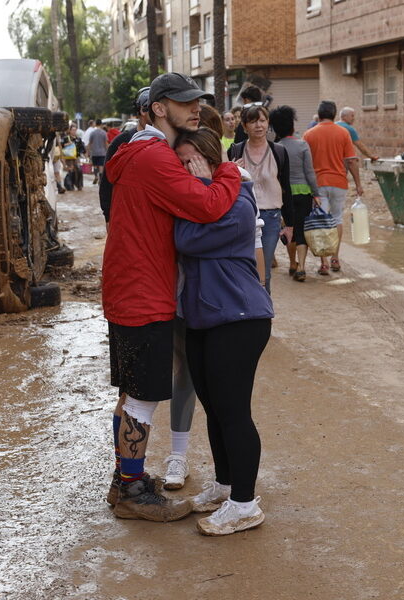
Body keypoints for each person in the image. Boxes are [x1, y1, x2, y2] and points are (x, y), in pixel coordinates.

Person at [103, 72, 241, 521]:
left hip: (129, 287)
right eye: (184, 103)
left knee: (131, 394)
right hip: (144, 291)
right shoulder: (155, 157)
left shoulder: (135, 150)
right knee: (142, 398)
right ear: (159, 108)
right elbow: (207, 206)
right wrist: (227, 171)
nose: (194, 108)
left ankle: (128, 479)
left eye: (196, 101)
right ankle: (131, 493)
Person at [172, 126, 273, 536]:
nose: (184, 169)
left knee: (233, 413)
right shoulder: (198, 200)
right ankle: (225, 487)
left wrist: (200, 187)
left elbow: (186, 238)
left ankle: (245, 504)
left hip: (240, 318)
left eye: (191, 161)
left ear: (211, 161)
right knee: (215, 409)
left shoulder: (239, 203)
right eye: (179, 163)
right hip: (202, 317)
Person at [227, 105, 293, 294]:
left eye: (262, 121)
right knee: (243, 265)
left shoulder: (279, 151)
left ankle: (264, 312)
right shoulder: (236, 151)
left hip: (271, 217)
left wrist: (290, 225)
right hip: (243, 216)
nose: (259, 125)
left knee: (264, 270)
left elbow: (286, 188)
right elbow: (225, 185)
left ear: (268, 123)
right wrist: (231, 170)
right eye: (253, 121)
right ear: (245, 126)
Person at [303, 100, 364, 274]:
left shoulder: (309, 134)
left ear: (319, 113)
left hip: (317, 184)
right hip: (339, 183)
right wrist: (358, 184)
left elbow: (304, 162)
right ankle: (335, 257)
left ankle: (324, 262)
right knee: (336, 219)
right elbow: (351, 161)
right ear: (335, 114)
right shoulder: (343, 133)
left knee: (322, 220)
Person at [269, 105, 321, 282]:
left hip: (284, 195)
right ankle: (303, 267)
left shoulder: (275, 148)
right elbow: (310, 172)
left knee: (288, 227)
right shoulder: (302, 145)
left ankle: (292, 263)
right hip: (303, 193)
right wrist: (316, 193)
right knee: (301, 229)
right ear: (292, 125)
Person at [99, 87, 150, 223]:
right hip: (127, 217)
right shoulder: (121, 142)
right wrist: (108, 217)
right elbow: (107, 183)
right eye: (148, 108)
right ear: (141, 110)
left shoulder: (168, 139)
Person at [61, 123, 85, 191]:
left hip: (76, 158)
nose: (74, 131)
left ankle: (79, 185)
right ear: (70, 130)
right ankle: (69, 185)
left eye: (75, 130)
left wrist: (80, 154)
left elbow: (82, 148)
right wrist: (68, 144)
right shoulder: (66, 138)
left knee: (79, 170)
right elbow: (61, 146)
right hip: (68, 158)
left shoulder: (78, 139)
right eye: (73, 130)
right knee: (71, 171)